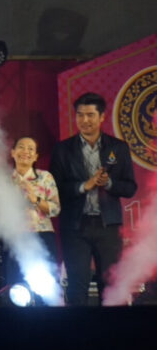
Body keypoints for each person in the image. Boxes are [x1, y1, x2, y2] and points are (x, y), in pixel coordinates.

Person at [49, 92, 137, 305]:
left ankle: (111, 327)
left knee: (110, 285)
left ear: (102, 117)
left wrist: (108, 183)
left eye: (90, 115)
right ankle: (79, 326)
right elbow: (55, 189)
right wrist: (83, 186)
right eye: (80, 115)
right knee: (77, 285)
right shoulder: (62, 149)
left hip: (108, 227)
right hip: (75, 227)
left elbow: (130, 188)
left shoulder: (118, 147)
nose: (84, 120)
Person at [9, 136, 61, 283]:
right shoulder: (5, 179)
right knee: (16, 284)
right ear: (13, 152)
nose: (26, 151)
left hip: (42, 235)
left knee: (46, 284)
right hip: (15, 237)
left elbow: (56, 209)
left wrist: (36, 200)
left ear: (36, 156)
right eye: (21, 147)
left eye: (31, 149)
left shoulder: (45, 177)